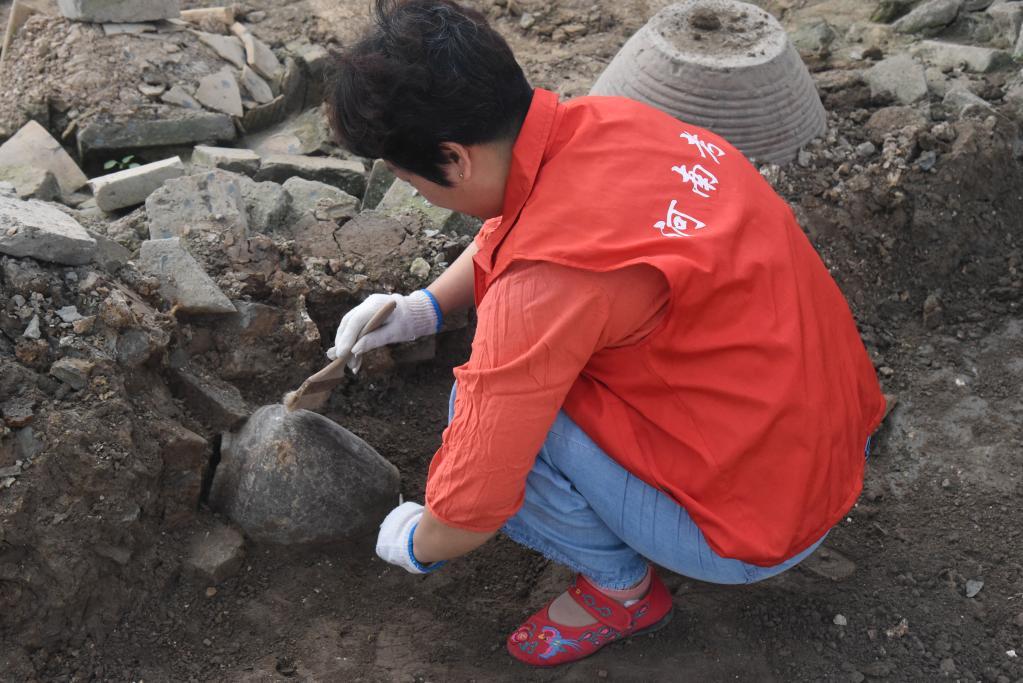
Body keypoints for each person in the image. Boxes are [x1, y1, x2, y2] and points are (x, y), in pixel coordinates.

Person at [326, 0, 886, 667]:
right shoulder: (614, 123)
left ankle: (622, 593)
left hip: (756, 531)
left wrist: (418, 540)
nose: (419, 194)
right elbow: (520, 221)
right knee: (538, 378)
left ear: (452, 158)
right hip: (824, 452)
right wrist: (425, 306)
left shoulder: (545, 285)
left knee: (483, 419)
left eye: (412, 180)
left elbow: (473, 500)